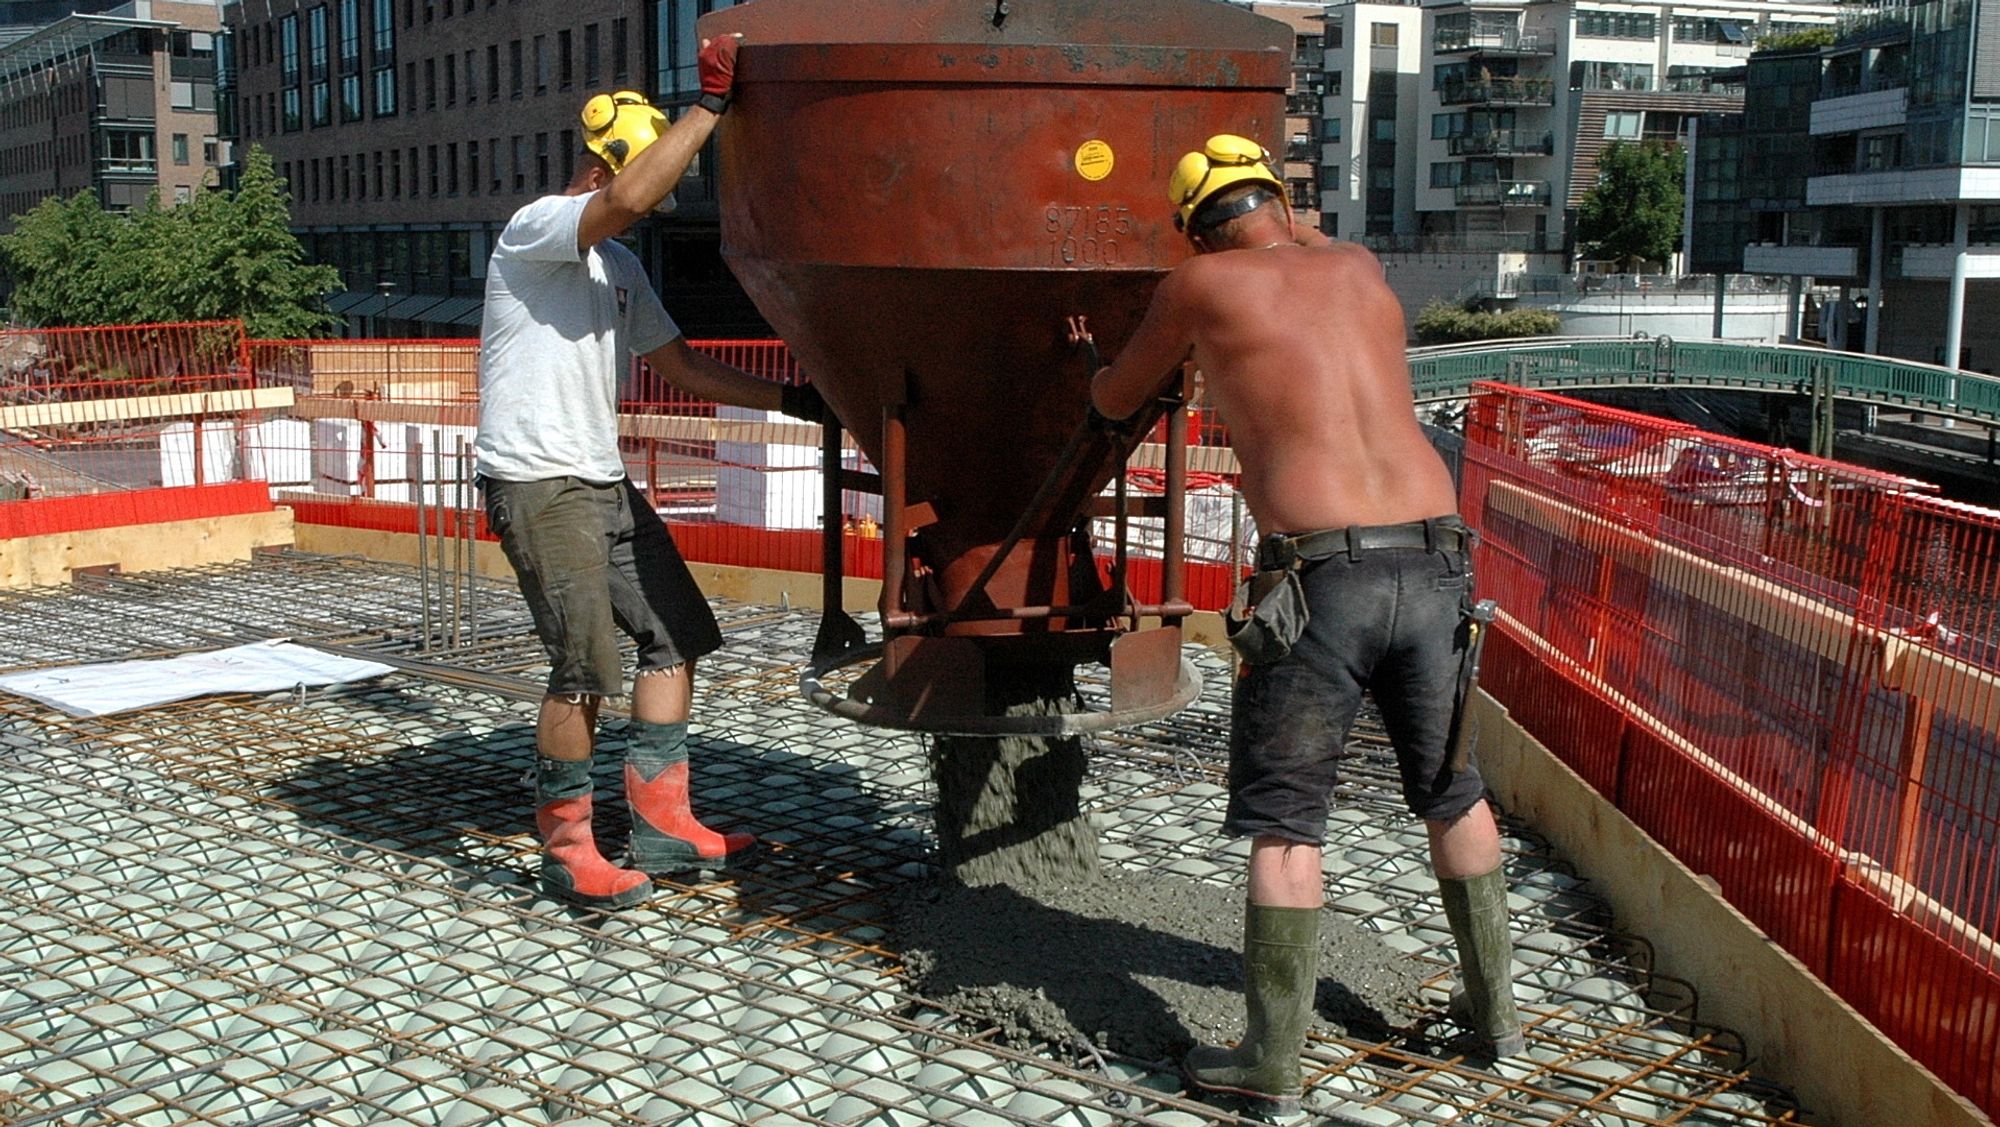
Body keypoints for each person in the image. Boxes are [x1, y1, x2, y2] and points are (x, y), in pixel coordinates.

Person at [1091, 135, 1522, 1117]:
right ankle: (1497, 1021)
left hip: (1320, 575)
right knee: (1452, 791)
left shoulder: (1199, 284)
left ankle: (1270, 1066)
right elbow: (1295, 241)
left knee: (1287, 825)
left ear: (1190, 230)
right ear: (1280, 201)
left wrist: (1096, 361)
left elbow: (1114, 398)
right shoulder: (1356, 265)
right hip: (1435, 557)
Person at [475, 36, 825, 910]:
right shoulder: (535, 232)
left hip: (598, 478)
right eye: (645, 189)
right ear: (602, 170)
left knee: (677, 633)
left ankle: (663, 827)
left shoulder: (619, 265)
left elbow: (680, 365)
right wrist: (708, 108)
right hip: (537, 480)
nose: (648, 209)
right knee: (583, 664)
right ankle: (567, 849)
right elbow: (629, 195)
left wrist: (794, 399)